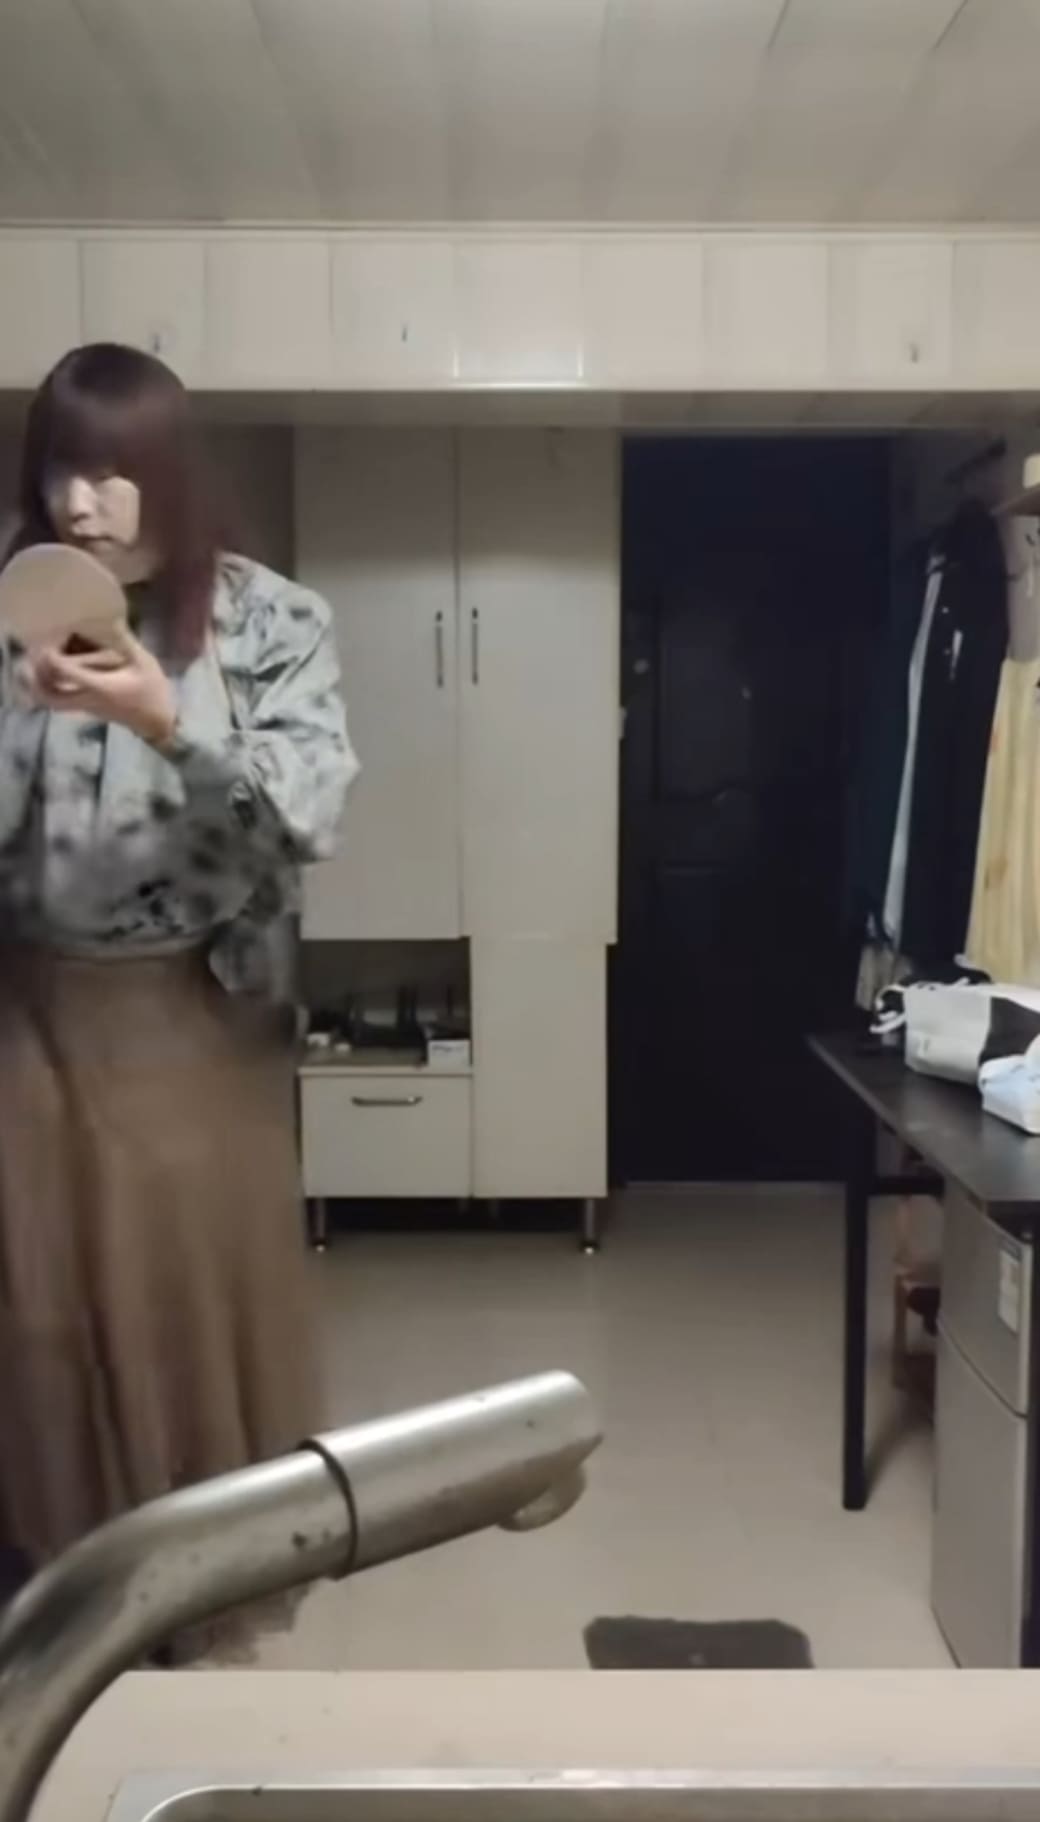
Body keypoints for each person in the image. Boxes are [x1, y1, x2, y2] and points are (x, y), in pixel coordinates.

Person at [0, 344, 357, 1626]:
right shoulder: (11, 603)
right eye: (59, 468)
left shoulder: (269, 621)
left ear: (170, 474)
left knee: (178, 1311)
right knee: (36, 1315)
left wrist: (166, 720)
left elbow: (304, 817)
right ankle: (54, 1595)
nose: (78, 502)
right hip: (25, 1019)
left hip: (189, 1023)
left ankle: (187, 1595)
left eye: (112, 471)